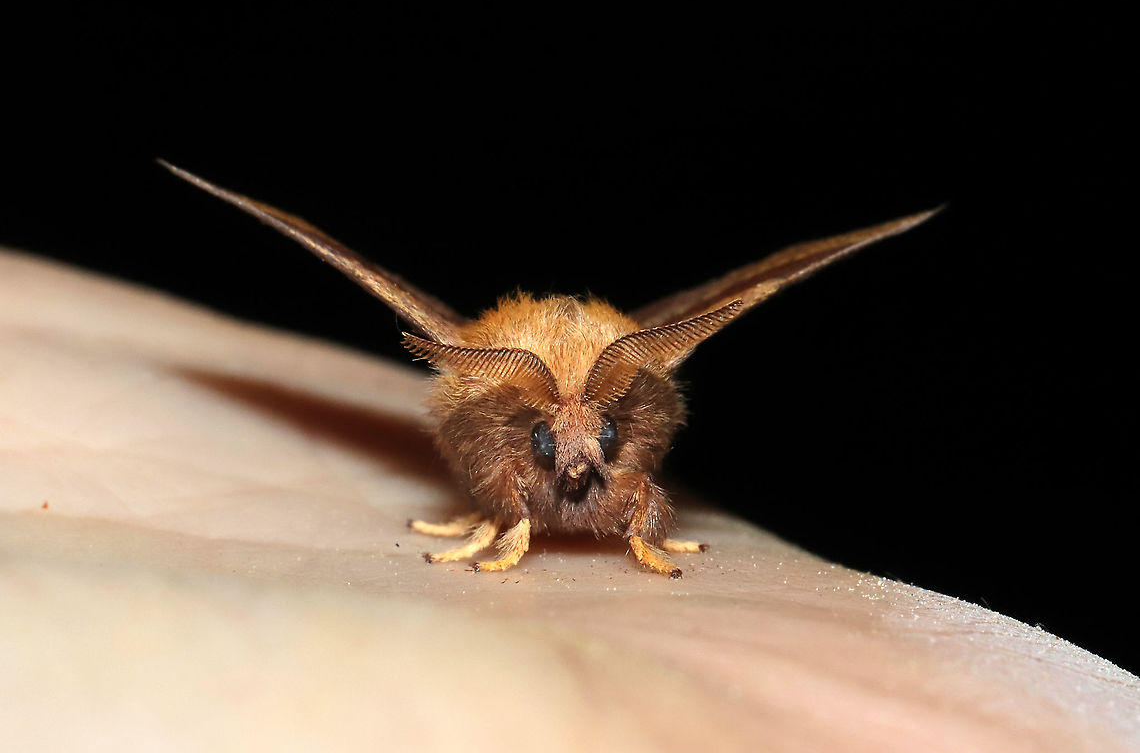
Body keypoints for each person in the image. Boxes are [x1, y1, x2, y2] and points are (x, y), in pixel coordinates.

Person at [1, 248, 1135, 752]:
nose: (581, 460)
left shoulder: (623, 436)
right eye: (556, 442)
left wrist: (643, 525)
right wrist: (504, 511)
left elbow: (626, 462)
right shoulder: (496, 411)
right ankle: (494, 524)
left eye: (602, 441)